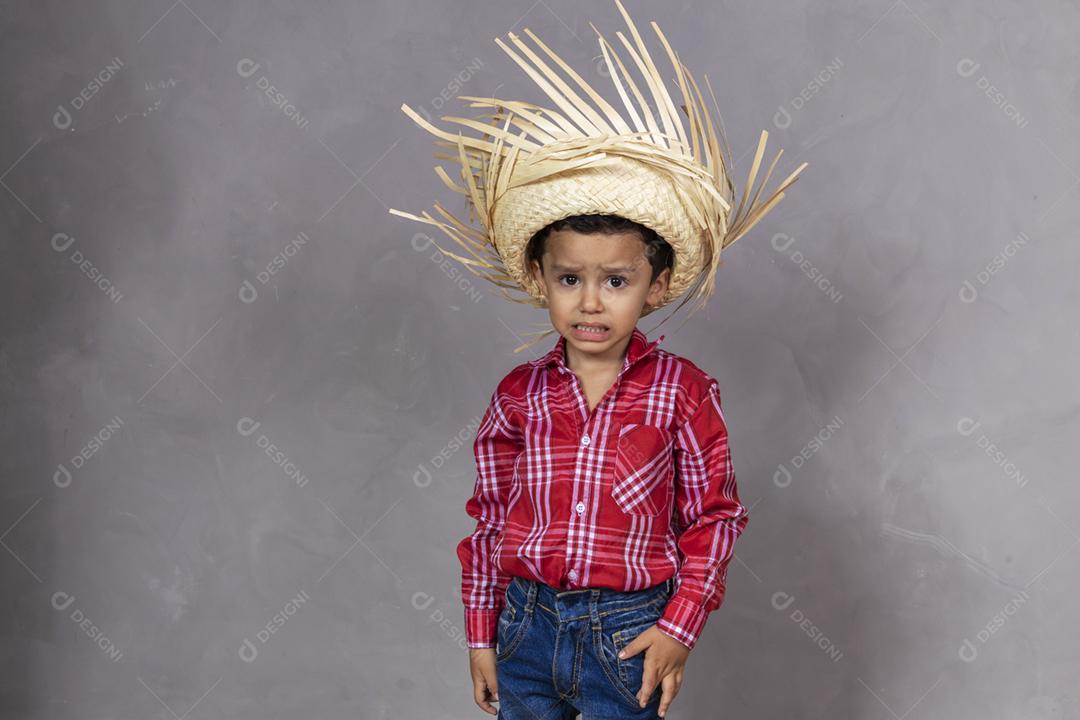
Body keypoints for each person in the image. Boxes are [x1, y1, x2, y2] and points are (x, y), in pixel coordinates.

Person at [388, 2, 807, 716]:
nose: (591, 302)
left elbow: (716, 517)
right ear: (540, 280)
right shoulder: (519, 395)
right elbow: (491, 518)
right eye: (570, 279)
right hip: (525, 626)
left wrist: (678, 627)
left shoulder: (683, 393)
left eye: (616, 281)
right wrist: (481, 632)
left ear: (655, 286)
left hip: (629, 631)